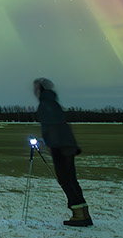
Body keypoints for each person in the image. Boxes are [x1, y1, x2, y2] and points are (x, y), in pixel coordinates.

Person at [33, 77, 91, 226]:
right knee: (71, 179)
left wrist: (49, 142)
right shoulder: (53, 102)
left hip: (60, 146)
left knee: (66, 180)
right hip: (66, 145)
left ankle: (80, 216)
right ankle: (83, 213)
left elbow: (51, 127)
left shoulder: (46, 104)